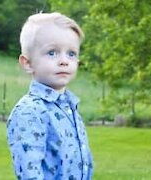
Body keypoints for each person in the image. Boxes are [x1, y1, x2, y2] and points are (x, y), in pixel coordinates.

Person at [6, 12, 93, 180]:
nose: (64, 61)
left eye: (71, 54)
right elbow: (30, 172)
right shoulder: (30, 111)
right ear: (28, 63)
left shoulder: (69, 106)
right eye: (52, 53)